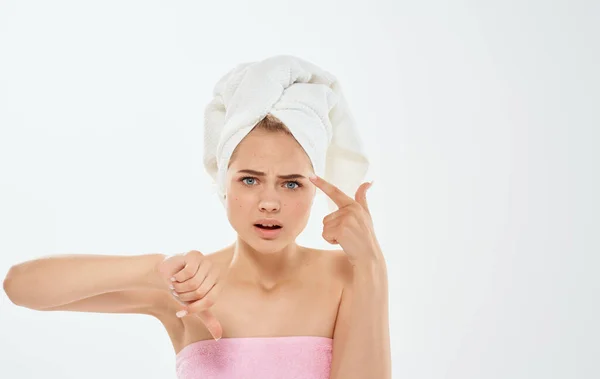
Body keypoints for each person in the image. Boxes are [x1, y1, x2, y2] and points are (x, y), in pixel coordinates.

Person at [3, 56, 391, 379]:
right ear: (224, 184)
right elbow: (20, 287)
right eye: (250, 179)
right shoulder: (185, 287)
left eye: (291, 184)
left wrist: (372, 264)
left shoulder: (348, 275)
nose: (269, 202)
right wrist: (151, 271)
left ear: (315, 190)